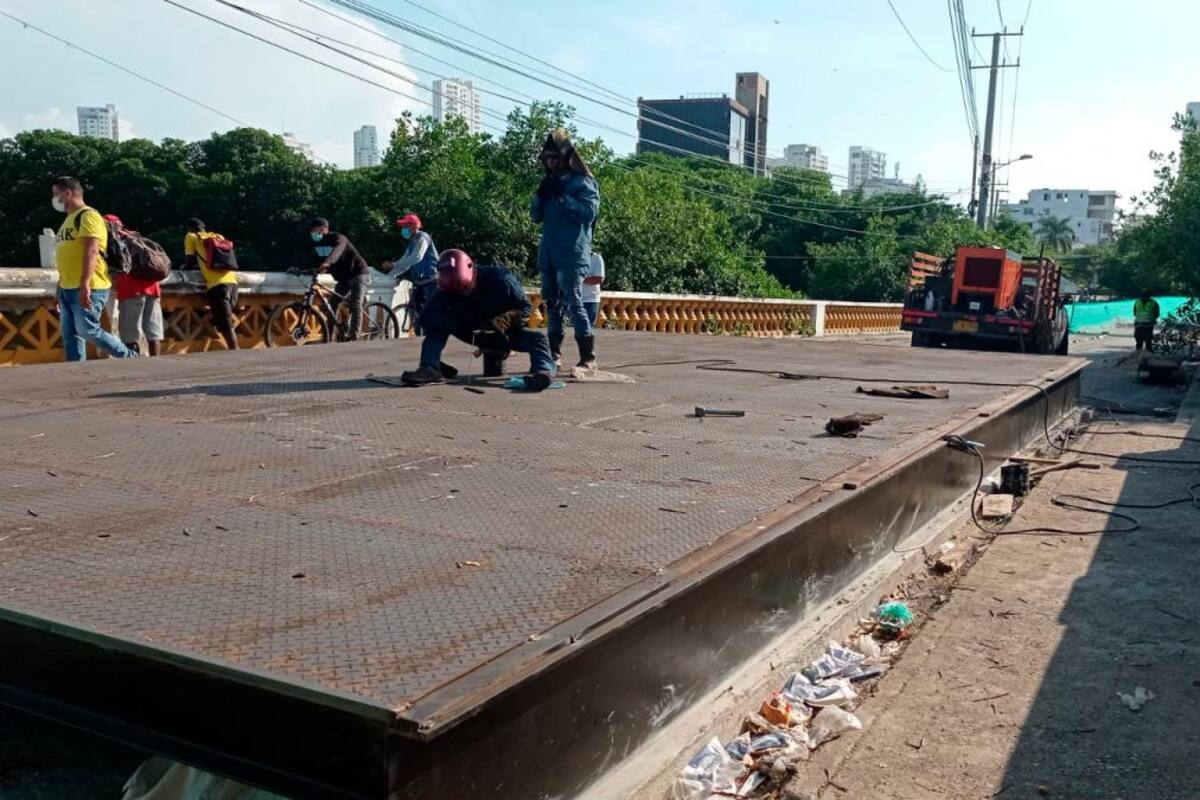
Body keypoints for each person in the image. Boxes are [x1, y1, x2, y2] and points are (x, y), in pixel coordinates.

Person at [400, 249, 554, 392]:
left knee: (538, 339)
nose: (463, 293)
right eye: (458, 291)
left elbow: (525, 307)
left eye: (466, 288)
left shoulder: (501, 280)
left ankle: (542, 372)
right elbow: (426, 319)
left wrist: (504, 320)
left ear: (472, 270)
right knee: (436, 326)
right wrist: (454, 326)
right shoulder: (445, 290)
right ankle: (430, 368)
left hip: (503, 332)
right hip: (471, 331)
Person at [531, 129, 601, 369]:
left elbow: (588, 214)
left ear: (565, 157)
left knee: (573, 301)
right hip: (549, 254)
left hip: (572, 253)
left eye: (554, 157)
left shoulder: (583, 182)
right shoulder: (549, 183)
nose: (550, 162)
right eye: (546, 158)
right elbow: (535, 217)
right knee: (551, 304)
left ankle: (588, 357)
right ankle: (553, 355)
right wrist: (541, 196)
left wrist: (564, 198)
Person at [50, 177, 133, 362]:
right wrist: (59, 289)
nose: (54, 199)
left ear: (68, 193)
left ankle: (129, 356)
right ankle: (76, 372)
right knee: (70, 336)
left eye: (55, 194)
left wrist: (85, 285)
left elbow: (92, 250)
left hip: (90, 285)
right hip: (67, 287)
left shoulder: (88, 216)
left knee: (88, 330)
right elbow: (66, 257)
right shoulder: (68, 220)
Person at [106, 214, 164, 357]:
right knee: (153, 332)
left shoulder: (113, 241)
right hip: (153, 288)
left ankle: (134, 364)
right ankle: (156, 362)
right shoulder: (136, 237)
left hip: (131, 289)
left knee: (129, 333)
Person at [308, 217, 369, 340]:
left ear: (322, 229)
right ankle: (330, 337)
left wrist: (327, 263)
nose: (312, 233)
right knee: (333, 303)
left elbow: (337, 252)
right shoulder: (317, 243)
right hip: (343, 277)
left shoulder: (338, 238)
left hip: (358, 273)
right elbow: (317, 261)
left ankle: (354, 338)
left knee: (356, 305)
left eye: (314, 230)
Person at [183, 218, 239, 350]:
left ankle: (236, 353)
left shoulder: (191, 237)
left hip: (217, 286)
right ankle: (234, 350)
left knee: (226, 326)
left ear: (189, 228)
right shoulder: (218, 236)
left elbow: (189, 262)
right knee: (225, 321)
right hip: (233, 282)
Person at [381, 213, 439, 332]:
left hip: (431, 280)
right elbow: (405, 262)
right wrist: (389, 276)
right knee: (416, 310)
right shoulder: (412, 241)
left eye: (405, 226)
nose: (403, 229)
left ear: (413, 226)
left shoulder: (423, 237)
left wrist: (393, 264)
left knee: (430, 310)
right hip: (420, 281)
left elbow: (416, 257)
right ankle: (420, 335)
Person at [1133, 290, 1161, 355]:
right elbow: (1135, 312)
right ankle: (1142, 354)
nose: (1144, 297)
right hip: (1142, 324)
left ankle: (1144, 354)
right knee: (1142, 340)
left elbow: (1157, 313)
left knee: (1144, 340)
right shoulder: (1138, 302)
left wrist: (1150, 319)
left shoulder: (1153, 303)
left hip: (1144, 324)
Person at [582, 250, 605, 328]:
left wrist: (579, 279)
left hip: (590, 300)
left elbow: (599, 279)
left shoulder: (596, 258)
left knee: (587, 328)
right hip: (573, 299)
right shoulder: (572, 257)